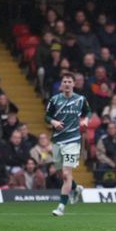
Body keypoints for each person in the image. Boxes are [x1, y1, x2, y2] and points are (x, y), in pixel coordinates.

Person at [45, 73, 91, 216]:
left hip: (72, 141)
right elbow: (46, 116)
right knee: (61, 174)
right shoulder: (54, 100)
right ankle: (76, 189)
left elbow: (88, 112)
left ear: (73, 84)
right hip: (57, 140)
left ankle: (61, 207)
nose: (66, 83)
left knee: (66, 174)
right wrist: (54, 122)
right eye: (64, 81)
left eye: (69, 81)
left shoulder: (80, 99)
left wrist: (85, 121)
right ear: (61, 84)